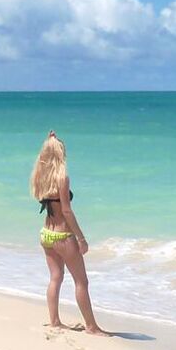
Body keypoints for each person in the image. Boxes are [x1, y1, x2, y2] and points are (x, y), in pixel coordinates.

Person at [30, 131, 110, 335]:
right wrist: (81, 238)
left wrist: (49, 141)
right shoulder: (61, 177)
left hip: (45, 234)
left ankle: (54, 321)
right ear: (61, 154)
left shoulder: (39, 176)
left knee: (55, 277)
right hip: (62, 236)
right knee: (81, 282)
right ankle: (91, 327)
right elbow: (66, 210)